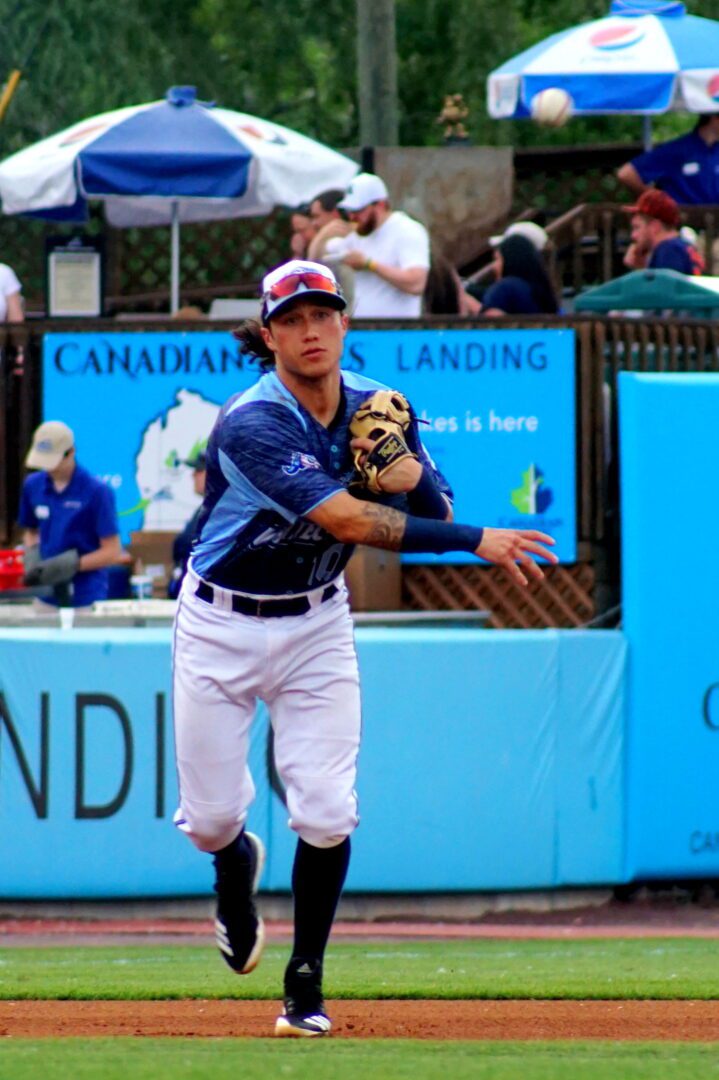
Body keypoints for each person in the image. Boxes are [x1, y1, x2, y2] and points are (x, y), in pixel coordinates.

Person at [171, 258, 557, 1038]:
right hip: (221, 623)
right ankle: (231, 865)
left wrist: (404, 463)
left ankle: (303, 986)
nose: (310, 330)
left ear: (343, 323)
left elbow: (430, 500)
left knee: (326, 807)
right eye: (292, 319)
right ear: (269, 335)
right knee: (210, 819)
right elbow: (349, 523)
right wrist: (475, 538)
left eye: (323, 315)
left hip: (316, 622)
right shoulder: (252, 420)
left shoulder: (378, 404)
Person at [19, 420, 123, 608]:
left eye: (52, 461)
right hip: (45, 594)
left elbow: (112, 551)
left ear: (71, 453)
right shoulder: (32, 485)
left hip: (86, 596)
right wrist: (32, 556)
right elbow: (31, 530)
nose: (48, 468)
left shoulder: (97, 492)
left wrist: (71, 565)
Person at [324, 172, 430, 318]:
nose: (352, 217)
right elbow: (319, 257)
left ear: (380, 205)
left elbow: (417, 283)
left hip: (398, 330)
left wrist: (369, 264)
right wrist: (323, 234)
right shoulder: (358, 232)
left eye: (358, 210)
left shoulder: (407, 230)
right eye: (349, 211)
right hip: (365, 330)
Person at [616, 115, 719, 205]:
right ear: (714, 118)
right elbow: (626, 174)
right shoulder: (679, 149)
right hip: (682, 220)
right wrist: (659, 202)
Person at [622, 189, 699, 275]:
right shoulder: (679, 246)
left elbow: (665, 287)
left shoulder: (669, 250)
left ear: (655, 226)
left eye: (637, 227)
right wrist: (640, 267)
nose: (633, 235)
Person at [479, 234, 559, 316]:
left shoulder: (505, 287)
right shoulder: (540, 291)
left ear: (510, 260)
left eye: (497, 259)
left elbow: (491, 321)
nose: (493, 266)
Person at [168, 451, 207, 600]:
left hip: (201, 601)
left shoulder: (221, 514)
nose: (193, 475)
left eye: (199, 470)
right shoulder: (203, 510)